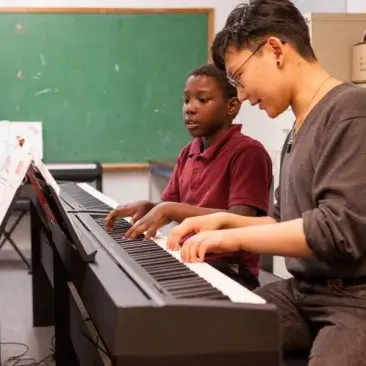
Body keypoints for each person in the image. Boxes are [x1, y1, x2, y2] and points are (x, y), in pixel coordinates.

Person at [167, 1, 366, 365]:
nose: (240, 95)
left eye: (239, 77)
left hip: (353, 302)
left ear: (275, 50)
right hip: (303, 294)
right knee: (197, 330)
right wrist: (218, 221)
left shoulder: (350, 111)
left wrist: (231, 236)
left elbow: (338, 232)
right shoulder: (297, 128)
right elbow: (280, 221)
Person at [106, 63, 272, 289]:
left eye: (202, 100)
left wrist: (170, 209)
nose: (189, 109)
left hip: (228, 270)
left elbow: (239, 222)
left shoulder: (248, 153)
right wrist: (150, 207)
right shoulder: (188, 152)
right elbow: (169, 204)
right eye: (186, 100)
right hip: (190, 258)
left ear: (232, 106)